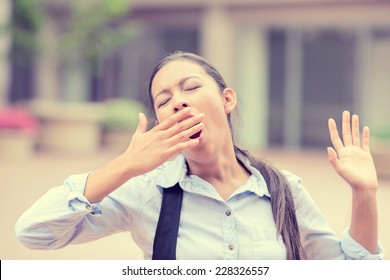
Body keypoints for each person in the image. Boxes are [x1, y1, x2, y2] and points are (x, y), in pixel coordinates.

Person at [15, 51, 383, 260]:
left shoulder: (284, 190)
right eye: (164, 100)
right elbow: (34, 233)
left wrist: (365, 194)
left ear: (227, 100)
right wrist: (125, 166)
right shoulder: (146, 192)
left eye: (190, 87)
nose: (179, 102)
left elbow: (352, 270)